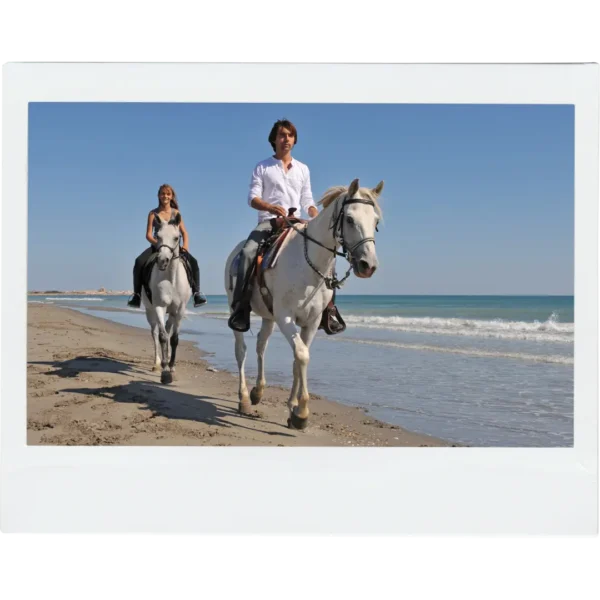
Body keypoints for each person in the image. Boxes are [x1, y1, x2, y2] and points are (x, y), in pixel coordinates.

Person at [227, 119, 344, 334]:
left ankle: (328, 309)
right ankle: (241, 307)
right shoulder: (262, 167)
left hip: (296, 223)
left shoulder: (303, 169)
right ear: (274, 139)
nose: (286, 139)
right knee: (247, 252)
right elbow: (252, 198)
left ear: (294, 140)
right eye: (282, 135)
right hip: (269, 223)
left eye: (290, 135)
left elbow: (307, 199)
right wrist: (270, 208)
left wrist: (314, 214)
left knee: (329, 254)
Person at [127, 183, 207, 308]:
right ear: (158, 196)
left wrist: (185, 246)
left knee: (194, 262)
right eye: (163, 193)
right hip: (157, 247)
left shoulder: (176, 213)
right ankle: (136, 295)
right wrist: (159, 245)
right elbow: (148, 235)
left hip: (175, 247)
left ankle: (197, 293)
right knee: (138, 262)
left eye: (168, 194)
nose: (165, 196)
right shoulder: (153, 213)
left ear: (171, 196)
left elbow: (184, 233)